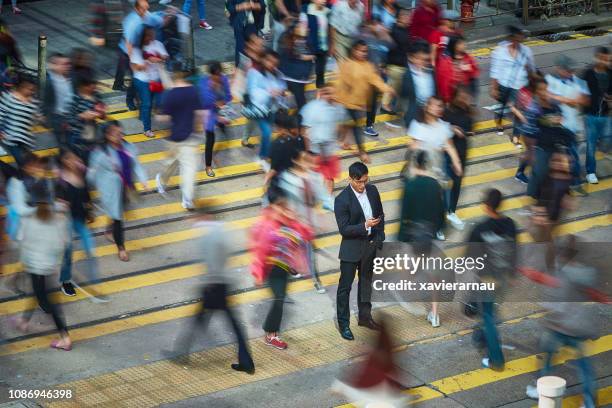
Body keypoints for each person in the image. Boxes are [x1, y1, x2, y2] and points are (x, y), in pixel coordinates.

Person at [165, 205, 255, 374]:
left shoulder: (208, 235)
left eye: (196, 217)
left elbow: (212, 261)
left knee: (199, 320)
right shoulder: (222, 230)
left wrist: (210, 282)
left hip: (214, 285)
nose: (193, 221)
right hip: (224, 282)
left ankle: (181, 353)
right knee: (223, 322)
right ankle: (246, 362)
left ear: (205, 216)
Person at [250, 180, 313, 350]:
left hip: (284, 268)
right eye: (280, 205)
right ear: (271, 206)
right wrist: (258, 273)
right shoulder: (267, 225)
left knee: (281, 298)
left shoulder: (287, 219)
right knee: (279, 299)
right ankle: (271, 335)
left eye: (284, 204)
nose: (283, 208)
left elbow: (305, 236)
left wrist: (296, 221)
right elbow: (260, 252)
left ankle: (271, 332)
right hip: (272, 269)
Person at [10, 186, 71, 351]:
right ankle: (24, 321)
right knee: (38, 293)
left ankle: (65, 338)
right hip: (50, 266)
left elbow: (20, 240)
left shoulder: (29, 218)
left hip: (35, 266)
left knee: (48, 302)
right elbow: (63, 243)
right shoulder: (57, 219)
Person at [466, 188, 517, 369]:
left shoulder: (479, 230)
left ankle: (496, 359)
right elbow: (514, 252)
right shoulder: (510, 224)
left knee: (487, 316)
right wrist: (511, 275)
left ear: (486, 206)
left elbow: (470, 259)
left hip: (485, 280)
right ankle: (479, 336)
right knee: (489, 310)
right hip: (503, 279)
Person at [334, 162, 385, 341]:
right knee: (344, 288)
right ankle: (344, 324)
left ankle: (365, 318)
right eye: (359, 182)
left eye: (365, 180)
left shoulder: (373, 190)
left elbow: (380, 214)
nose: (363, 185)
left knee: (366, 284)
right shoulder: (341, 199)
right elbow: (344, 229)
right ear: (350, 179)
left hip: (369, 247)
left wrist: (380, 237)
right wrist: (364, 226)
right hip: (351, 249)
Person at [87, 121, 148, 262]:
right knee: (118, 218)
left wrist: (143, 180)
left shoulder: (128, 146)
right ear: (107, 135)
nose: (119, 135)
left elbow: (136, 164)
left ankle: (109, 228)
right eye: (114, 133)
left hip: (127, 187)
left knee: (119, 211)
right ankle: (121, 248)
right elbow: (91, 173)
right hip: (110, 190)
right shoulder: (100, 153)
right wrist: (90, 188)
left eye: (119, 132)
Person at [397, 149, 445, 327]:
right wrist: (440, 230)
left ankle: (407, 290)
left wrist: (401, 237)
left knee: (409, 269)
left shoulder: (410, 185)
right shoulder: (435, 185)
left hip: (413, 236)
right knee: (435, 277)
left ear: (415, 164)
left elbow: (404, 215)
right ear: (427, 164)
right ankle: (435, 314)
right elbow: (441, 213)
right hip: (431, 235)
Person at [407, 96, 462, 239]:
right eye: (436, 105)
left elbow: (449, 145)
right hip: (422, 168)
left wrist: (456, 162)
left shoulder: (443, 126)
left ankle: (439, 226)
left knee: (441, 200)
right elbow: (413, 148)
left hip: (438, 167)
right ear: (427, 107)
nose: (439, 109)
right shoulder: (418, 125)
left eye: (441, 106)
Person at [56, 149, 107, 302]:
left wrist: (89, 211)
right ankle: (65, 281)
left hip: (80, 218)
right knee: (68, 252)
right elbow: (58, 205)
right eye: (72, 158)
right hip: (66, 221)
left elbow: (86, 195)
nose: (76, 160)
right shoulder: (60, 182)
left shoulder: (80, 173)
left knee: (90, 249)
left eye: (75, 157)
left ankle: (94, 283)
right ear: (65, 161)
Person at [155, 63, 205, 211]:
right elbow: (199, 114)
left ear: (174, 75)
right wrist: (198, 129)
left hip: (174, 137)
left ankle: (162, 180)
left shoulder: (171, 94)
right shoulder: (193, 91)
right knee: (188, 168)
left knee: (175, 162)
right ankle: (186, 199)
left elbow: (163, 118)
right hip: (190, 136)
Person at [335, 40, 394, 163]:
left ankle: (341, 141)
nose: (363, 53)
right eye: (360, 50)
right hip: (346, 102)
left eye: (365, 51)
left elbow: (375, 80)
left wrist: (387, 88)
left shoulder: (368, 66)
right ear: (353, 50)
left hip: (359, 103)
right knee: (356, 127)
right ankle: (362, 152)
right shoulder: (347, 64)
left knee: (348, 123)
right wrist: (338, 99)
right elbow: (341, 83)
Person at [545, 55, 589, 195]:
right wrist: (563, 100)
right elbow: (545, 97)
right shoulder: (549, 80)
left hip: (571, 126)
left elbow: (586, 100)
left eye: (572, 70)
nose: (571, 72)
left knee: (573, 156)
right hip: (554, 126)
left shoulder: (579, 82)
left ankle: (575, 182)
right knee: (555, 157)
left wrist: (578, 101)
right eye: (568, 70)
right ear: (559, 69)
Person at [113, 0, 162, 110]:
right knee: (137, 78)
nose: (145, 12)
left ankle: (138, 97)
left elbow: (158, 21)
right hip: (128, 52)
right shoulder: (133, 22)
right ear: (137, 9)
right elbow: (128, 44)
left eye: (146, 8)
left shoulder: (146, 15)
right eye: (143, 9)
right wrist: (134, 62)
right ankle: (131, 100)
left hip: (139, 49)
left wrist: (167, 14)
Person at [489, 25, 535, 146]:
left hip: (520, 86)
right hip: (504, 84)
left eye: (521, 37)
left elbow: (532, 70)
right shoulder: (499, 51)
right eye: (516, 37)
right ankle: (499, 123)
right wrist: (494, 88)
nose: (518, 40)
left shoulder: (526, 51)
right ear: (511, 38)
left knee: (519, 111)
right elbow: (495, 70)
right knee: (501, 106)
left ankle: (516, 136)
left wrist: (530, 76)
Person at [244, 49, 287, 171]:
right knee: (267, 132)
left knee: (268, 133)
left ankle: (263, 155)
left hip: (271, 108)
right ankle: (263, 158)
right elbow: (253, 92)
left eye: (274, 63)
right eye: (269, 61)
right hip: (258, 109)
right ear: (263, 60)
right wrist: (270, 93)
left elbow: (282, 87)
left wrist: (281, 93)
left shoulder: (277, 73)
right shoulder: (255, 73)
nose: (272, 65)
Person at [301, 84, 345, 193]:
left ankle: (328, 198)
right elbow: (304, 130)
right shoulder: (311, 108)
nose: (330, 96)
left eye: (332, 93)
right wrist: (307, 151)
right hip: (314, 148)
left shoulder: (339, 108)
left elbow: (343, 124)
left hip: (329, 149)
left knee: (329, 176)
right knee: (311, 175)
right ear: (321, 94)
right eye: (327, 93)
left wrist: (341, 140)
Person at [443, 86, 474, 229]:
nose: (465, 99)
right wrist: (452, 128)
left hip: (462, 154)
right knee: (445, 187)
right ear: (455, 97)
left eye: (466, 97)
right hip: (448, 155)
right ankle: (441, 215)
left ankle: (451, 212)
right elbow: (440, 128)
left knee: (457, 185)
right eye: (462, 96)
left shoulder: (468, 111)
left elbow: (470, 129)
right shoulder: (447, 112)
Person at [130, 26, 169, 139]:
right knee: (147, 103)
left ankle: (144, 113)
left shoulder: (157, 44)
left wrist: (162, 57)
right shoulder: (136, 49)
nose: (151, 37)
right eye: (148, 35)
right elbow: (136, 67)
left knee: (159, 102)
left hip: (157, 79)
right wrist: (147, 61)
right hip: (143, 80)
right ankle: (147, 129)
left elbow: (165, 57)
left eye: (152, 34)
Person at [582, 47, 611, 185]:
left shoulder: (611, 73)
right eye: (603, 58)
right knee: (591, 145)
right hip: (590, 115)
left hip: (606, 114)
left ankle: (603, 148)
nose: (605, 62)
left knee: (607, 140)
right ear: (597, 57)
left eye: (607, 59)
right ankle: (590, 171)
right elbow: (581, 92)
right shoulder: (588, 73)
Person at [0, 74, 42, 168]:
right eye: (30, 89)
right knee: (23, 164)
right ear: (21, 87)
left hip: (27, 139)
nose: (32, 91)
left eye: (33, 89)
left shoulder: (34, 101)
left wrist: (39, 117)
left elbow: (37, 115)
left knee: (30, 162)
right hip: (11, 137)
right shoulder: (9, 97)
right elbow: (1, 113)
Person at [198, 62, 232, 178]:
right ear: (210, 74)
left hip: (221, 111)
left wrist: (223, 103)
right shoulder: (204, 83)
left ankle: (214, 154)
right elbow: (204, 103)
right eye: (216, 75)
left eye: (219, 74)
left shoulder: (224, 80)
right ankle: (208, 166)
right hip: (209, 114)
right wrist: (213, 97)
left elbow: (228, 96)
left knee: (226, 136)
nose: (218, 77)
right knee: (210, 140)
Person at [278, 20, 314, 121]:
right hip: (292, 76)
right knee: (300, 99)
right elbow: (290, 55)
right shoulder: (287, 40)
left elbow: (311, 54)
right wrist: (307, 57)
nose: (306, 29)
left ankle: (299, 116)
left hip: (299, 77)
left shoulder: (307, 39)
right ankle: (300, 118)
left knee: (299, 97)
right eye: (302, 27)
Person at [513, 76, 545, 184]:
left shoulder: (523, 92)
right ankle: (534, 177)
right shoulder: (534, 100)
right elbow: (540, 114)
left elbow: (515, 106)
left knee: (529, 152)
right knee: (532, 154)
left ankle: (520, 172)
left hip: (527, 128)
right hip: (532, 130)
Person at [234, 33, 265, 148]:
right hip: (250, 95)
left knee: (254, 118)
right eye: (256, 42)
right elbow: (240, 80)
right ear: (250, 45)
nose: (260, 44)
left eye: (260, 42)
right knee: (252, 118)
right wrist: (243, 98)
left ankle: (246, 138)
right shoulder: (245, 60)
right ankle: (245, 139)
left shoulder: (262, 56)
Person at [68, 76, 106, 164]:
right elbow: (69, 119)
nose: (93, 88)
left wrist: (101, 112)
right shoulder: (75, 98)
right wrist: (82, 116)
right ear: (83, 86)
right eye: (90, 86)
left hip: (93, 136)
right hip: (78, 136)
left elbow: (103, 116)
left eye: (94, 85)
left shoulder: (96, 96)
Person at [381, 8, 412, 114]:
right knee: (393, 85)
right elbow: (388, 47)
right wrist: (384, 65)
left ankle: (389, 105)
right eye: (406, 16)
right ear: (399, 18)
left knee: (395, 85)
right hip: (395, 63)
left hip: (401, 63)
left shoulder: (405, 30)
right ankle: (385, 105)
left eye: (409, 16)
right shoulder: (395, 30)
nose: (408, 18)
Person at [400, 40, 436, 129]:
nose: (422, 62)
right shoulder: (407, 75)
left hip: (432, 113)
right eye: (418, 58)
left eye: (425, 60)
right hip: (415, 116)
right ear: (410, 57)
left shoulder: (431, 70)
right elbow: (404, 96)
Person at [435, 35, 479, 104]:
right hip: (452, 96)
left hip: (466, 94)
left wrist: (469, 69)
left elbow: (475, 73)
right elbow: (443, 82)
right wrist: (446, 99)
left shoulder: (467, 57)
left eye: (464, 43)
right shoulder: (445, 61)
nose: (464, 45)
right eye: (460, 43)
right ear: (453, 45)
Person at [43, 53, 74, 148]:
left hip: (72, 116)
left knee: (72, 142)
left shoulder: (71, 77)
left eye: (69, 63)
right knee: (63, 145)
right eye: (64, 64)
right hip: (58, 118)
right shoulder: (47, 81)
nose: (68, 66)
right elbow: (43, 101)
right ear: (54, 65)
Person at [266, 111, 304, 183]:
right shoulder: (300, 139)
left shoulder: (277, 144)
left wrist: (266, 181)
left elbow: (273, 169)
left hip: (285, 178)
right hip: (296, 176)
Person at [226, 0, 266, 67]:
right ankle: (239, 67)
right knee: (240, 47)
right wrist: (242, 6)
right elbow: (230, 8)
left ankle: (253, 66)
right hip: (239, 24)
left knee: (254, 46)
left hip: (253, 24)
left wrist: (254, 6)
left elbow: (262, 5)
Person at [301, 0, 331, 88]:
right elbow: (302, 29)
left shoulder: (328, 11)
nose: (324, 1)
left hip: (323, 46)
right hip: (310, 46)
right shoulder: (306, 9)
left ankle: (320, 92)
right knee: (306, 70)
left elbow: (329, 28)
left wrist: (330, 44)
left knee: (320, 72)